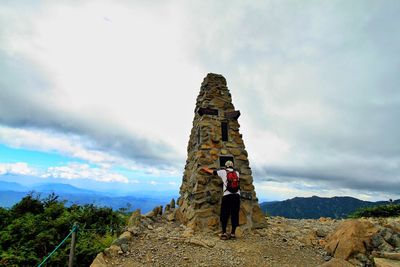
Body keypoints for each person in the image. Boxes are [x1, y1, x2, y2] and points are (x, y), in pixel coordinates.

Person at [202, 160, 240, 240]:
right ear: (232, 166)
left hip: (227, 196)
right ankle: (233, 234)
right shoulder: (237, 173)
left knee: (224, 214)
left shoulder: (223, 172)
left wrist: (205, 169)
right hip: (236, 196)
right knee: (234, 214)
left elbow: (212, 172)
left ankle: (224, 233)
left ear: (226, 166)